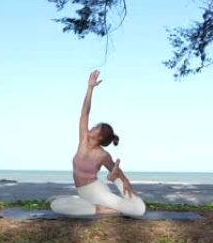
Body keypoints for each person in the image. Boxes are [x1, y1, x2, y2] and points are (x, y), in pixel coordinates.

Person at [50, 70, 146, 217]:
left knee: (138, 210)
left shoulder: (103, 155)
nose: (92, 127)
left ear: (100, 137)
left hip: (97, 191)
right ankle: (99, 209)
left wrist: (124, 182)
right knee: (55, 205)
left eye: (95, 128)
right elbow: (84, 112)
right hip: (84, 194)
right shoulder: (83, 139)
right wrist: (90, 88)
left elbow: (116, 171)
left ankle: (102, 208)